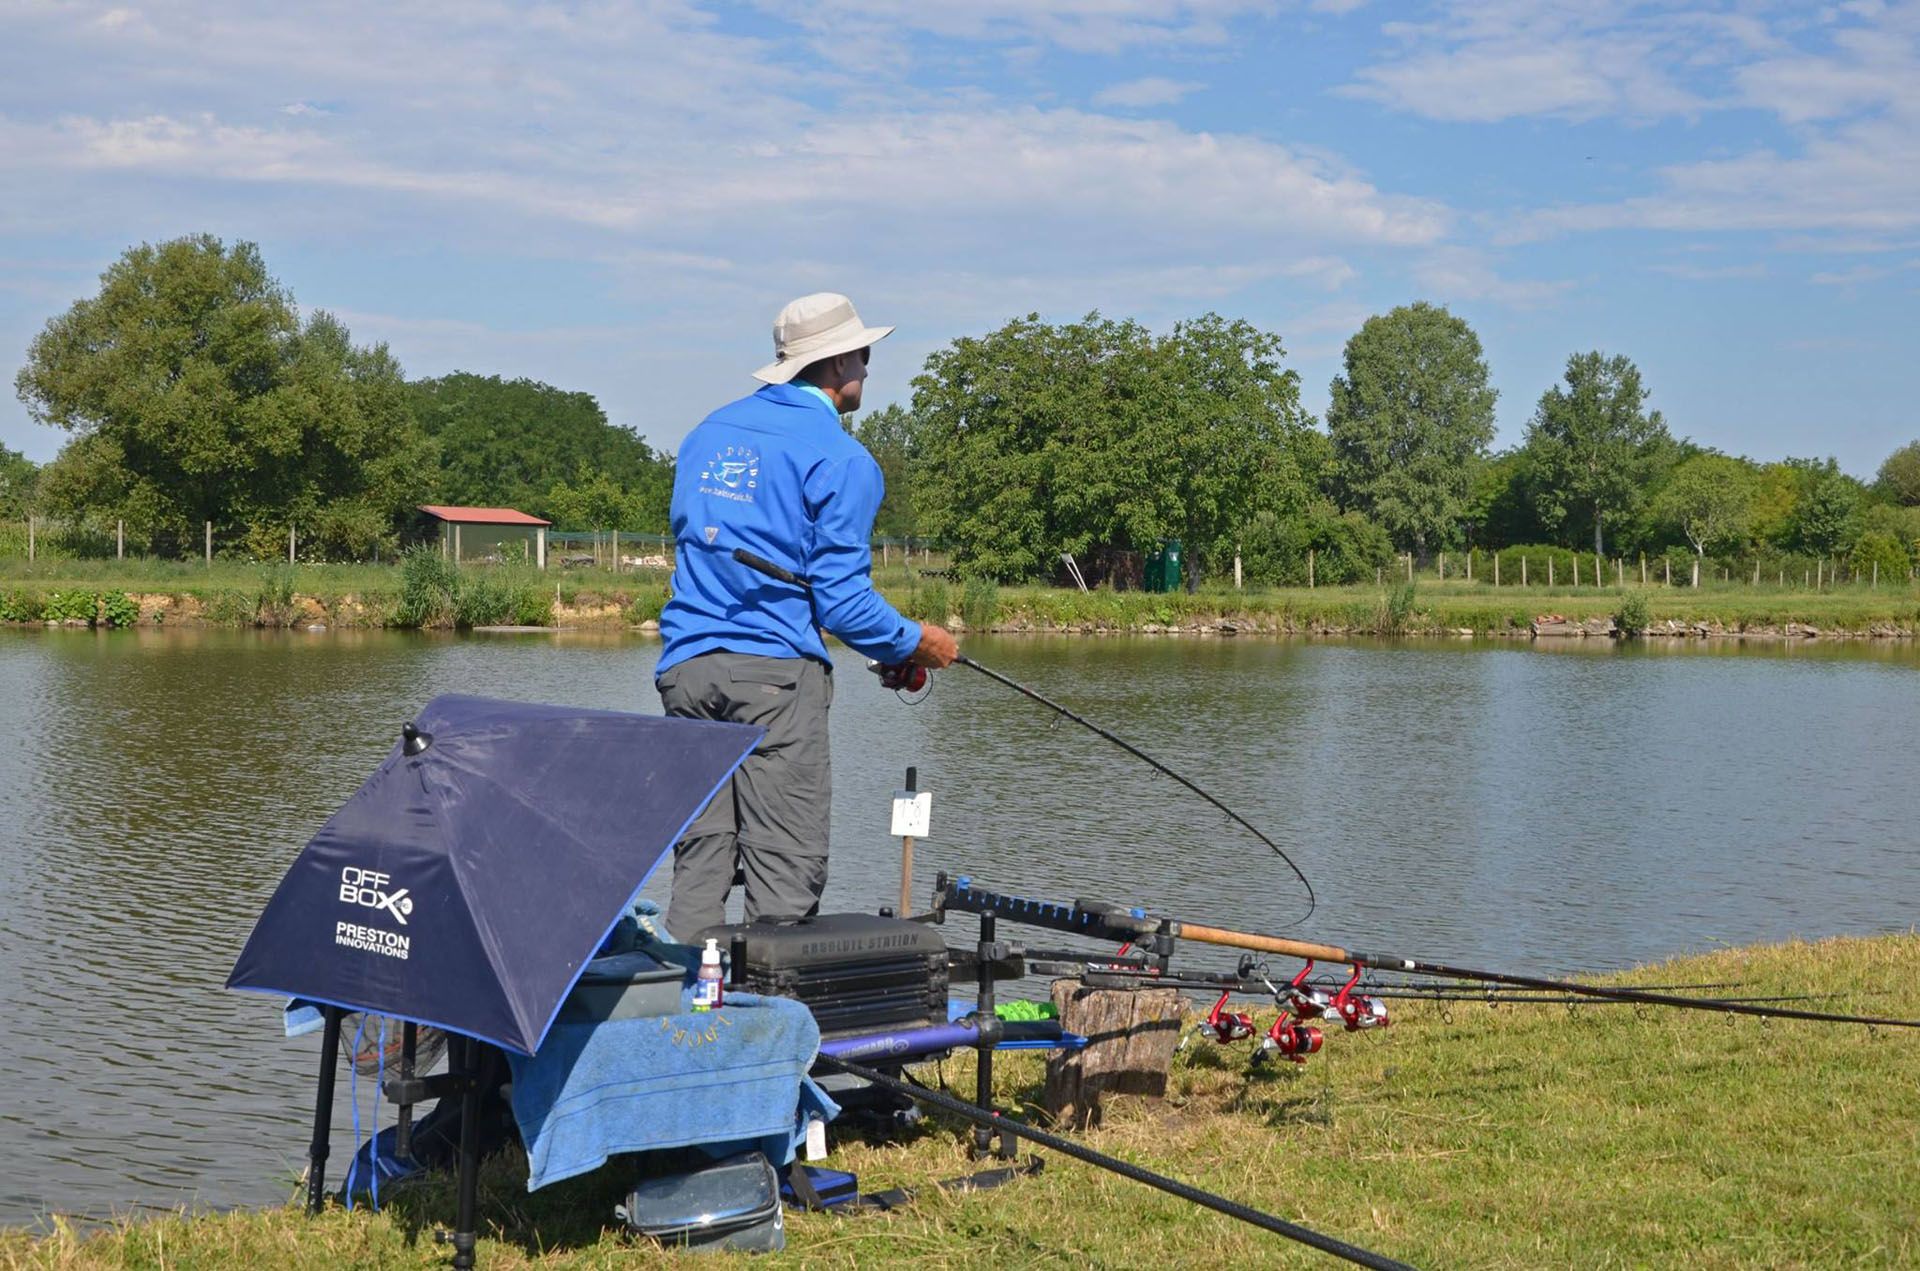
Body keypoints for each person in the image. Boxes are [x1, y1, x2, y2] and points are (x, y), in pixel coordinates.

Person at [656, 292, 958, 936]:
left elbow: (710, 548)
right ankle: (773, 1020)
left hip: (684, 672)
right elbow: (843, 602)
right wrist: (916, 641)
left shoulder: (705, 434)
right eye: (866, 355)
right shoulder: (843, 459)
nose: (870, 369)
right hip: (773, 682)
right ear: (838, 361)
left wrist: (884, 646)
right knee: (784, 864)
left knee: (702, 854)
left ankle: (680, 1015)